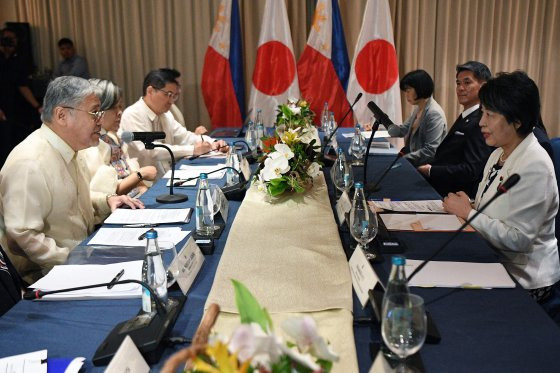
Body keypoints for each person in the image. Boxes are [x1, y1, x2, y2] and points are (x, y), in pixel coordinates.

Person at [0, 76, 144, 284]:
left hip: (80, 256)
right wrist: (73, 260)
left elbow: (70, 203)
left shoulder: (70, 149)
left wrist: (107, 200)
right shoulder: (30, 162)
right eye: (94, 112)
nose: (100, 121)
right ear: (62, 115)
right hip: (43, 276)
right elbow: (22, 235)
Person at [443, 71, 560, 303]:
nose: (481, 122)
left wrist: (468, 213)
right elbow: (494, 207)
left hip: (526, 279)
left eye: (490, 115)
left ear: (517, 120)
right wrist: (471, 205)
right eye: (482, 113)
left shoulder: (534, 164)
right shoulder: (499, 152)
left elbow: (519, 239)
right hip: (495, 261)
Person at [119, 68, 228, 178]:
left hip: (169, 175)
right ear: (150, 91)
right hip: (146, 183)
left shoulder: (165, 114)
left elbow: (185, 137)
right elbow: (151, 150)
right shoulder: (132, 114)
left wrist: (214, 143)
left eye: (174, 96)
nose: (171, 101)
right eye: (168, 94)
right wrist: (193, 150)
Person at [417, 61, 494, 198]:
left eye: (467, 83)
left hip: (455, 195)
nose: (460, 88)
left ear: (483, 86)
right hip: (442, 188)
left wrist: (431, 171)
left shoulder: (481, 121)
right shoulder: (467, 115)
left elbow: (471, 169)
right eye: (458, 83)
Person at [81, 79, 157, 197]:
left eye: (120, 106)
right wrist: (141, 174)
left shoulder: (111, 137)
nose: (120, 112)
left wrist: (142, 187)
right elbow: (105, 193)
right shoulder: (90, 146)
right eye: (114, 108)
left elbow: (128, 173)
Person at [0, 27, 43, 166]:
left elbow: (22, 85)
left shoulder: (17, 60)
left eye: (14, 39)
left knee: (15, 142)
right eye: (7, 39)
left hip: (15, 108)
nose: (11, 42)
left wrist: (37, 106)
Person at [386, 70, 447, 166]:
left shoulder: (434, 114)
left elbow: (430, 151)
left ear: (420, 89)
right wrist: (380, 124)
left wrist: (403, 159)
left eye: (408, 90)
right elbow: (402, 130)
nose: (406, 94)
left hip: (425, 167)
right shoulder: (418, 108)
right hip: (413, 160)